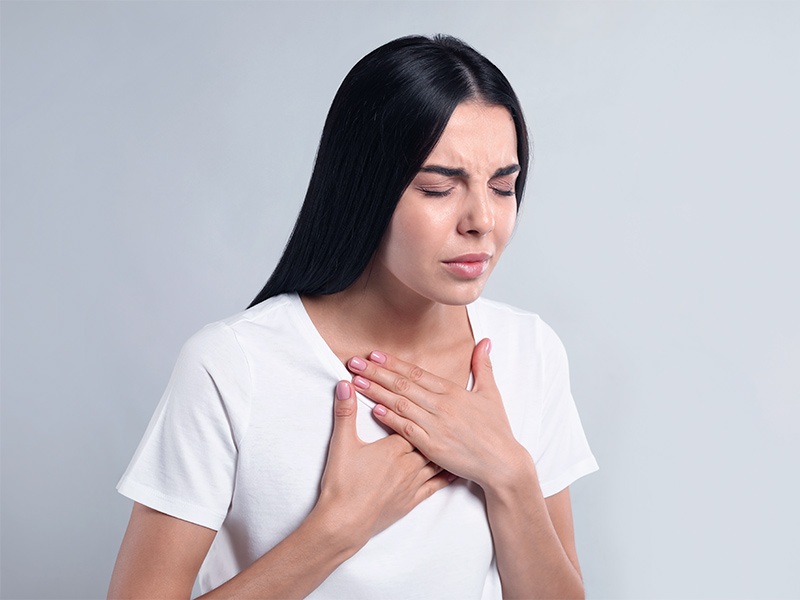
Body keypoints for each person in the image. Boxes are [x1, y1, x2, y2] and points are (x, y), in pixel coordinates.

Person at [108, 34, 598, 599]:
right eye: (439, 188)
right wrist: (337, 529)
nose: (482, 220)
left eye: (503, 187)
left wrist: (509, 475)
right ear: (365, 189)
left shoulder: (529, 351)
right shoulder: (232, 367)